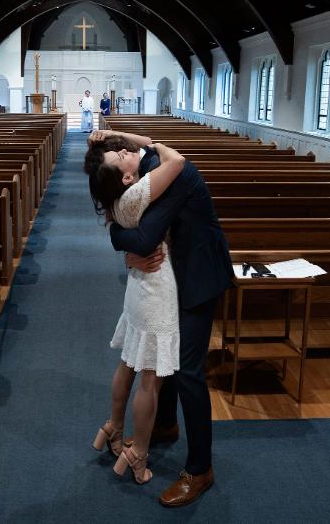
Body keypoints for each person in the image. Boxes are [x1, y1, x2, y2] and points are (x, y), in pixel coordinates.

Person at [86, 128, 234, 508]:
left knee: (187, 371)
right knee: (165, 356)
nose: (123, 149)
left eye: (122, 150)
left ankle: (200, 469)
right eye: (118, 153)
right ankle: (166, 424)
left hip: (198, 274)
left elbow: (142, 237)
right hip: (177, 272)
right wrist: (126, 248)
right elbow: (128, 229)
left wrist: (128, 249)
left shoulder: (172, 173)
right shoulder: (154, 165)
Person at [85, 130, 185, 486]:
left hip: (138, 289)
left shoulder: (116, 199)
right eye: (122, 157)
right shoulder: (137, 193)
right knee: (150, 380)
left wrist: (105, 142)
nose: (129, 152)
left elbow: (103, 166)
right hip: (157, 291)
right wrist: (153, 143)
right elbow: (177, 161)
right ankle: (138, 454)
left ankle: (113, 427)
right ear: (126, 178)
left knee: (128, 361)